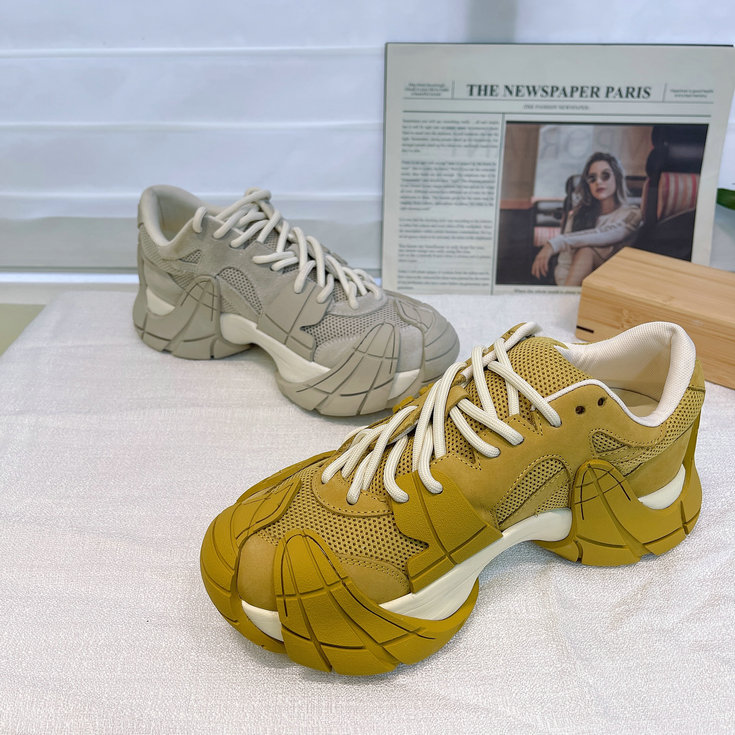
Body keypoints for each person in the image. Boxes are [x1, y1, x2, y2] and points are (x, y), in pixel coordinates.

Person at [531, 152, 642, 286]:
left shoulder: (632, 213)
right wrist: (566, 288)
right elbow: (565, 264)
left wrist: (554, 243)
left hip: (610, 284)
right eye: (592, 178)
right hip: (574, 286)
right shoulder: (577, 215)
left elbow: (605, 234)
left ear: (617, 178)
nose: (598, 182)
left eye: (605, 176)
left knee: (586, 251)